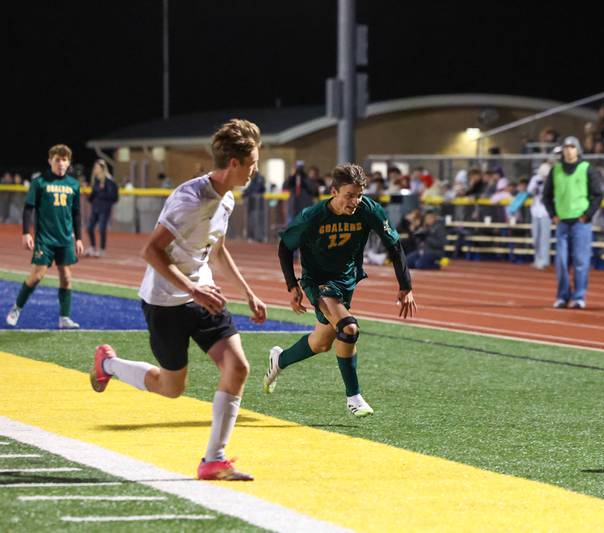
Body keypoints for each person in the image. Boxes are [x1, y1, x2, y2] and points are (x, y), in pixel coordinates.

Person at [88, 119, 268, 481]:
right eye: (252, 163)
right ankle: (107, 365)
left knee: (238, 367)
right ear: (233, 162)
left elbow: (216, 250)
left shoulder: (227, 199)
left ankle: (213, 459)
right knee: (171, 389)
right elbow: (151, 251)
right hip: (164, 302)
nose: (255, 170)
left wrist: (247, 292)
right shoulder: (191, 199)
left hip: (202, 296)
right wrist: (192, 289)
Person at [264, 163, 416, 416]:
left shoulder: (368, 210)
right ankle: (354, 396)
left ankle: (279, 360)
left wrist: (406, 286)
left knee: (321, 343)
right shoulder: (313, 217)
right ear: (333, 191)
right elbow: (285, 247)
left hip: (346, 280)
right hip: (318, 281)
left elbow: (395, 244)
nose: (355, 201)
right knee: (348, 329)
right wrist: (292, 285)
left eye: (359, 195)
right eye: (349, 195)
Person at [6, 144, 83, 329]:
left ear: (69, 162)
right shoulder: (39, 183)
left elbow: (77, 213)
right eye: (57, 160)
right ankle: (17, 307)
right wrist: (26, 233)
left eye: (64, 160)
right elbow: (28, 209)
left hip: (64, 239)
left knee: (66, 276)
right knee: (37, 275)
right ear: (50, 161)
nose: (61, 163)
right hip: (45, 239)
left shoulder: (74, 185)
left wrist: (78, 238)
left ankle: (64, 318)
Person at [543, 136, 604, 309]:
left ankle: (578, 297)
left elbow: (598, 195)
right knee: (561, 262)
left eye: (572, 147)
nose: (568, 150)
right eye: (566, 147)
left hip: (580, 222)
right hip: (562, 222)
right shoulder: (555, 171)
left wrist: (588, 215)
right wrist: (552, 214)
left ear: (578, 150)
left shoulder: (587, 169)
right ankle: (562, 296)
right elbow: (546, 196)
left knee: (580, 261)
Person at [85, 159, 119, 257]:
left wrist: (102, 197)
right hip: (95, 208)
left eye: (97, 168)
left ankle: (102, 249)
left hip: (104, 209)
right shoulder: (96, 181)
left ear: (102, 169)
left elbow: (114, 197)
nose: (95, 169)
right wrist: (89, 196)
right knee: (89, 228)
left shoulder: (109, 181)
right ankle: (92, 247)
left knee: (102, 229)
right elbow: (92, 197)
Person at [527, 162, 552, 269]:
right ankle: (537, 259)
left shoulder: (552, 181)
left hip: (546, 212)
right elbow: (529, 191)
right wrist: (537, 185)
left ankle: (544, 261)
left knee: (544, 238)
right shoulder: (535, 179)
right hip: (535, 211)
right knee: (535, 237)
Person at [242, 169, 266, 242]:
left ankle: (260, 237)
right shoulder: (254, 179)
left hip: (259, 206)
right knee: (253, 220)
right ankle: (255, 237)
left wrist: (246, 193)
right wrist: (245, 192)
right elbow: (250, 189)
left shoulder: (259, 179)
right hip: (253, 205)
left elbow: (255, 189)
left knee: (258, 221)